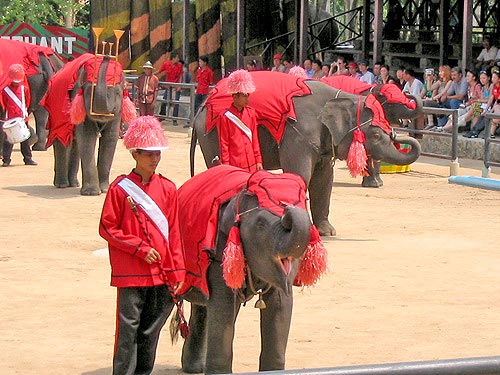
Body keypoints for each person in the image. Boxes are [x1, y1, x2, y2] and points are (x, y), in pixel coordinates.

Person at [99, 115, 186, 375]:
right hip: (131, 273)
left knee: (150, 330)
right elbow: (107, 227)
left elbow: (174, 234)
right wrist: (139, 248)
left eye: (157, 153)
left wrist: (178, 271)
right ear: (135, 154)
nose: (154, 159)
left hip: (160, 273)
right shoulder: (119, 189)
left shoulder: (169, 189)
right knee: (128, 330)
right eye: (148, 154)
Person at [218, 69, 263, 172]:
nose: (247, 99)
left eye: (248, 95)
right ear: (235, 97)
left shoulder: (251, 113)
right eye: (244, 95)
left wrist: (258, 160)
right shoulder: (224, 117)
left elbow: (255, 139)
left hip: (251, 163)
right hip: (235, 164)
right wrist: (226, 167)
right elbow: (224, 144)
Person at [2, 64, 37, 167]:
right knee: (8, 140)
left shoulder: (24, 88)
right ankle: (6, 160)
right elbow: (4, 103)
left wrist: (24, 114)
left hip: (22, 118)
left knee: (25, 139)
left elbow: (27, 101)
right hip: (10, 119)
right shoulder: (5, 90)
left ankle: (28, 158)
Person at [155, 52, 184, 125]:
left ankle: (175, 119)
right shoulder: (166, 64)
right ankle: (162, 116)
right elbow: (160, 71)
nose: (178, 59)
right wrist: (151, 74)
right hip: (168, 86)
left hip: (176, 86)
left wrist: (179, 85)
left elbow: (181, 75)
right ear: (173, 58)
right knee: (165, 101)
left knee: (176, 102)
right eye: (177, 57)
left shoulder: (180, 65)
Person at [464, 70, 492, 137]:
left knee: (476, 107)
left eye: (484, 78)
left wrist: (478, 100)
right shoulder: (483, 88)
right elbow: (482, 99)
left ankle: (473, 129)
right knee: (476, 108)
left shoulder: (491, 86)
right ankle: (474, 131)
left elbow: (488, 99)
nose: (482, 80)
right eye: (481, 78)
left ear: (489, 78)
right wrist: (477, 100)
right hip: (483, 106)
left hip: (489, 106)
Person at [480, 70, 500, 138]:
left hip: (497, 106)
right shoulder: (493, 86)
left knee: (494, 115)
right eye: (492, 77)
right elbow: (491, 99)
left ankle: (490, 133)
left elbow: (498, 101)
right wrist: (486, 110)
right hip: (495, 106)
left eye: (494, 77)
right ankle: (490, 133)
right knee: (477, 110)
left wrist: (491, 111)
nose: (492, 79)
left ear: (499, 79)